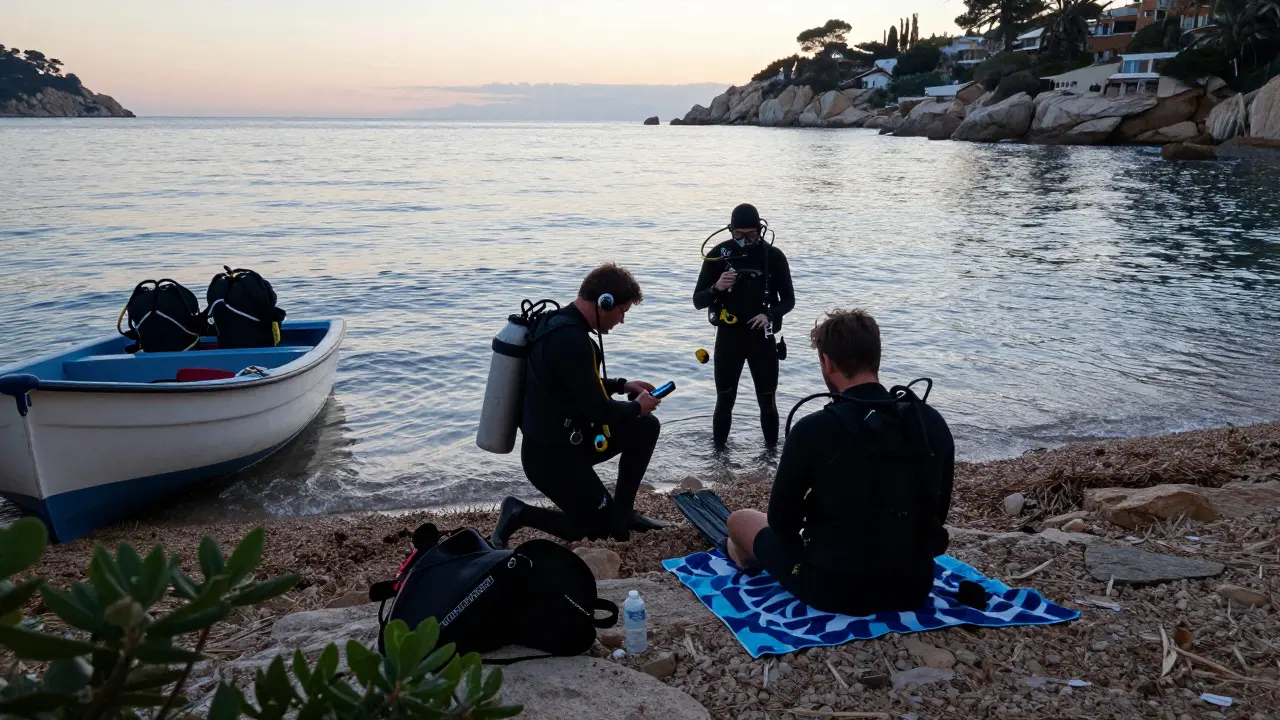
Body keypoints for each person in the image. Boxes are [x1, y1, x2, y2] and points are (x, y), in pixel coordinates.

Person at [723, 309, 955, 615]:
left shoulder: (813, 429)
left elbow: (782, 524)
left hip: (837, 591)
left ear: (827, 362)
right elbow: (938, 509)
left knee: (739, 521)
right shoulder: (930, 421)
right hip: (914, 586)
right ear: (876, 358)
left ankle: (743, 557)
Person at [490, 264, 667, 547]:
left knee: (645, 427)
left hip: (571, 443)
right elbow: (599, 410)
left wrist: (623, 385)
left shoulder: (557, 324)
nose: (621, 320)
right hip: (551, 460)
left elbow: (575, 384)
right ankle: (519, 512)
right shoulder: (570, 340)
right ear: (604, 302)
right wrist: (637, 407)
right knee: (609, 533)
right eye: (622, 311)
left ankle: (624, 511)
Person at [692, 203, 795, 450]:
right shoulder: (718, 255)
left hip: (762, 338)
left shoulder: (774, 257)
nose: (746, 241)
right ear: (731, 230)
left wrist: (769, 315)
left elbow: (789, 300)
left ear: (761, 229)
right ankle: (719, 457)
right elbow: (698, 300)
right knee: (724, 400)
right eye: (739, 235)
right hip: (729, 337)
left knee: (767, 401)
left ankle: (771, 455)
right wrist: (717, 287)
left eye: (752, 235)